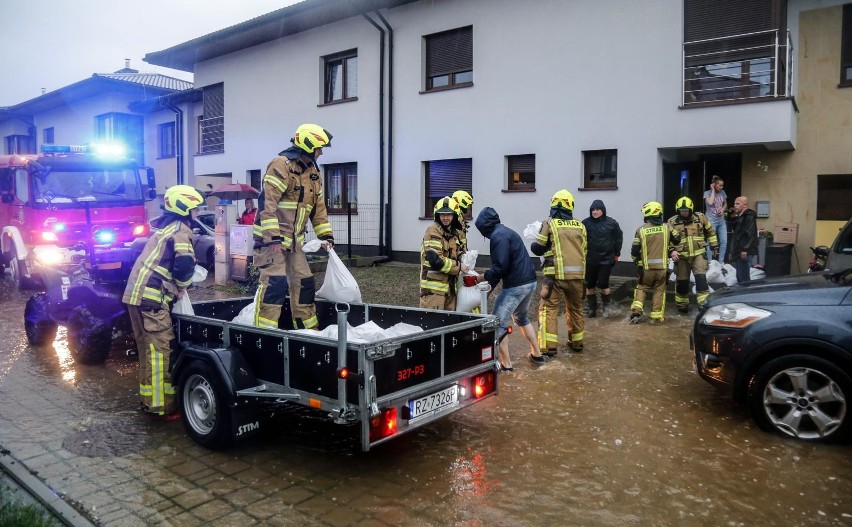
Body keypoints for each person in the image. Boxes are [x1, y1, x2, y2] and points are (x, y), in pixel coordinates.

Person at [122, 185, 204, 420]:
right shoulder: (181, 230)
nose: (197, 213)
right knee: (159, 353)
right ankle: (161, 408)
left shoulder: (166, 228)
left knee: (147, 352)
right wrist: (182, 285)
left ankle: (148, 400)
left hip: (136, 298)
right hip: (152, 300)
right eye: (196, 208)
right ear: (185, 208)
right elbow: (184, 265)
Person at [253, 123, 334, 330]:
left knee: (305, 285)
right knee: (275, 286)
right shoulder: (281, 165)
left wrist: (326, 237)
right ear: (308, 147)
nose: (321, 152)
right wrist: (272, 239)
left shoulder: (313, 173)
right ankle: (264, 334)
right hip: (272, 243)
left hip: (295, 244)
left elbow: (318, 209)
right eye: (319, 148)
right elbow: (267, 204)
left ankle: (309, 334)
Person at [474, 206, 545, 369]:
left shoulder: (498, 237)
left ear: (485, 226)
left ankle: (506, 365)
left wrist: (480, 278)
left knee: (496, 324)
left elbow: (500, 267)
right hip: (530, 282)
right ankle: (537, 355)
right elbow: (503, 267)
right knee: (521, 318)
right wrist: (490, 286)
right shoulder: (507, 232)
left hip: (516, 286)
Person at [531, 190, 587, 355]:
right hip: (578, 277)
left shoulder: (550, 223)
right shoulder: (581, 225)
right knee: (576, 308)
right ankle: (577, 343)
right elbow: (585, 251)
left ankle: (550, 348)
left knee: (549, 309)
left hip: (555, 277)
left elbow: (538, 247)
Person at [629, 201, 680, 324]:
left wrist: (638, 261)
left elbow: (635, 251)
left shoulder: (641, 230)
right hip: (662, 269)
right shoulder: (666, 228)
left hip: (646, 269)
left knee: (641, 288)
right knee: (659, 291)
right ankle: (655, 317)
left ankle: (636, 311)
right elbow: (677, 239)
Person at [667, 197, 718, 314]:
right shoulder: (672, 222)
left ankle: (703, 305)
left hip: (698, 255)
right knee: (682, 283)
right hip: (681, 257)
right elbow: (667, 239)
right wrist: (672, 251)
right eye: (681, 210)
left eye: (686, 210)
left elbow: (711, 231)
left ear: (691, 209)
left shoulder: (700, 217)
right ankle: (682, 306)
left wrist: (714, 245)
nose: (683, 212)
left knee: (701, 280)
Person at [419, 196, 468, 310]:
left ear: (454, 215)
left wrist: (466, 258)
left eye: (449, 214)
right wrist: (460, 266)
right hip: (433, 293)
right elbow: (436, 261)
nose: (445, 217)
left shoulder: (453, 233)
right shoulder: (432, 231)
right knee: (433, 325)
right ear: (437, 215)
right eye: (442, 214)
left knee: (450, 326)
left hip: (450, 291)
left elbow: (458, 253)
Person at [581, 199, 623, 318]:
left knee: (603, 284)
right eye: (593, 210)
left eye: (597, 209)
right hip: (590, 260)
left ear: (603, 211)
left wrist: (617, 254)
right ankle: (592, 309)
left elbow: (619, 238)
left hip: (606, 259)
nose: (595, 212)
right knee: (590, 285)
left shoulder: (611, 223)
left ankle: (606, 308)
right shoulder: (585, 223)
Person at [729, 196, 758, 283]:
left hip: (744, 250)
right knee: (740, 276)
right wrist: (732, 251)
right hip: (739, 250)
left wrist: (745, 249)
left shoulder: (748, 216)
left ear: (745, 205)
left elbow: (750, 233)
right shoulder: (740, 216)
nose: (735, 205)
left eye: (737, 204)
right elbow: (736, 235)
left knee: (743, 277)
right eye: (734, 203)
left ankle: (746, 295)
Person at [703, 175, 727, 262]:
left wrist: (723, 209)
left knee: (724, 241)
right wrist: (713, 190)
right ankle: (710, 262)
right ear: (714, 185)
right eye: (720, 185)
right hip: (711, 221)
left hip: (721, 221)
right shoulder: (707, 193)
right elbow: (710, 202)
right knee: (710, 242)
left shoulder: (722, 192)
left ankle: (721, 261)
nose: (722, 187)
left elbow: (725, 204)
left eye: (722, 185)